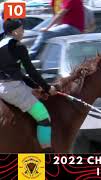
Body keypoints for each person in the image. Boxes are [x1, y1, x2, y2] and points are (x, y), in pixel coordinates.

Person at [0, 19, 57, 152]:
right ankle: (46, 152)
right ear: (14, 32)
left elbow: (17, 72)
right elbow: (31, 71)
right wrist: (48, 88)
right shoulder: (19, 47)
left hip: (4, 86)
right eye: (21, 29)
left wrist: (35, 86)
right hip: (12, 89)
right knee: (43, 115)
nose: (23, 31)